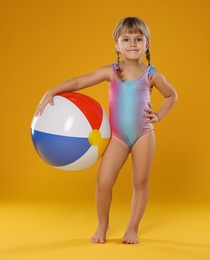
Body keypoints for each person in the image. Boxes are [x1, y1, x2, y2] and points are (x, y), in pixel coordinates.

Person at [35, 17, 177, 244]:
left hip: (144, 135)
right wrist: (51, 91)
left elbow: (171, 95)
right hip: (118, 137)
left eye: (138, 39)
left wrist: (159, 115)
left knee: (139, 182)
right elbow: (80, 82)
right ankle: (103, 225)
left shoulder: (151, 74)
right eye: (126, 39)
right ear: (116, 45)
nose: (132, 44)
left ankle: (132, 228)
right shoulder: (111, 72)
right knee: (103, 182)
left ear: (147, 44)